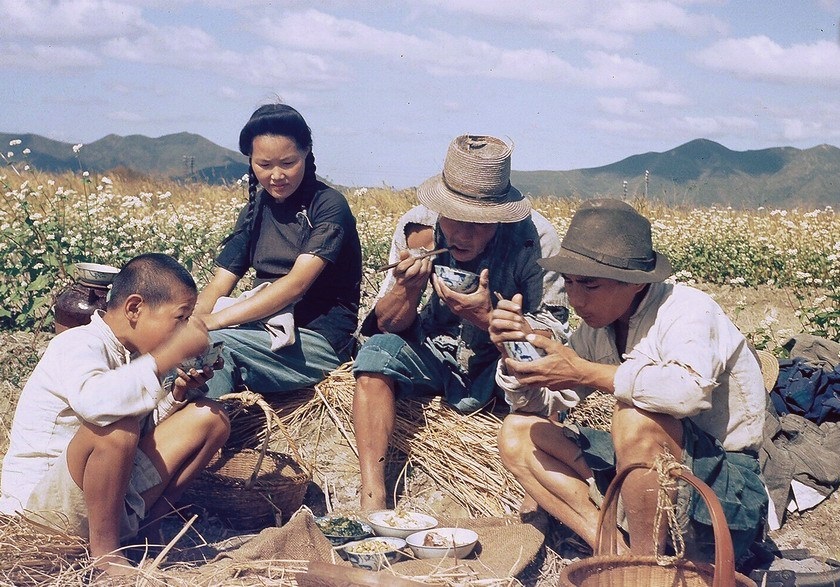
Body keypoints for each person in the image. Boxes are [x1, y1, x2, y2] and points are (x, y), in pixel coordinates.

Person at [489, 199, 768, 563]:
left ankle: (643, 570)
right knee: (517, 432)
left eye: (589, 285)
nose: (575, 299)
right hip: (651, 481)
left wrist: (584, 372)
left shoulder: (688, 311)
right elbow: (543, 404)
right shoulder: (596, 330)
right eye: (570, 283)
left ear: (635, 284)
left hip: (721, 490)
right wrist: (518, 358)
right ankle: (616, 554)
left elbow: (687, 392)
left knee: (634, 416)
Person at [352, 134, 569, 511]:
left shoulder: (536, 239)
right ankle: (372, 496)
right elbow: (387, 324)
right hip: (433, 353)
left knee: (540, 375)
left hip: (498, 365)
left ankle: (537, 505)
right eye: (454, 218)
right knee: (374, 356)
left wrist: (488, 320)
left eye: (480, 223)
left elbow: (552, 336)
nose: (463, 234)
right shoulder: (415, 228)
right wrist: (407, 289)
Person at [0, 253, 231, 576]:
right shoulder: (77, 344)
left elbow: (142, 427)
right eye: (180, 318)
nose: (182, 330)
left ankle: (147, 530)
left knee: (212, 419)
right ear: (134, 308)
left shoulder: (129, 354)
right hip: (43, 512)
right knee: (114, 426)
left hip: (102, 501)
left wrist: (177, 393)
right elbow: (98, 407)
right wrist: (169, 355)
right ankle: (106, 556)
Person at [195, 103, 363, 398]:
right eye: (264, 165)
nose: (276, 175)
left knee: (217, 346)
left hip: (315, 339)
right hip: (262, 329)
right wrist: (191, 323)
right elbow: (221, 282)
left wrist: (213, 322)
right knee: (184, 347)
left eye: (288, 163)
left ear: (307, 152)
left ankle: (203, 433)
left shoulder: (328, 205)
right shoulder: (255, 210)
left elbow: (295, 286)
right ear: (250, 161)